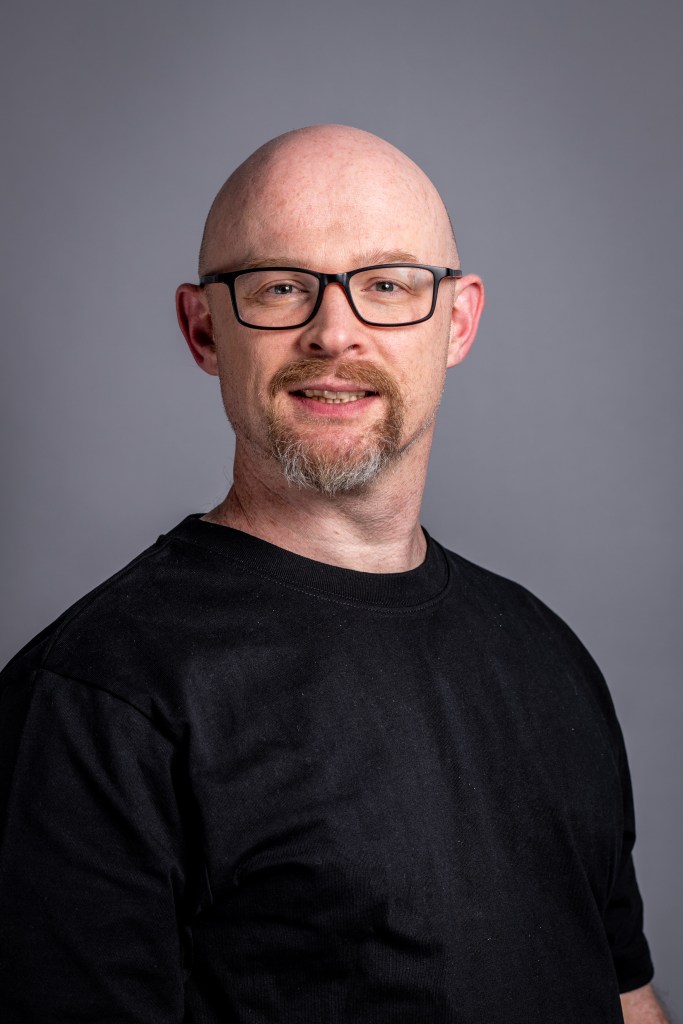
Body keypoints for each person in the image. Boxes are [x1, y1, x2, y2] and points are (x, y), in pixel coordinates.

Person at [0, 125, 669, 1023]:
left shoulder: (545, 654)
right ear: (204, 329)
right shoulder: (96, 699)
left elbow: (624, 1000)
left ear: (458, 320)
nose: (335, 333)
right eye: (281, 287)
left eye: (387, 285)